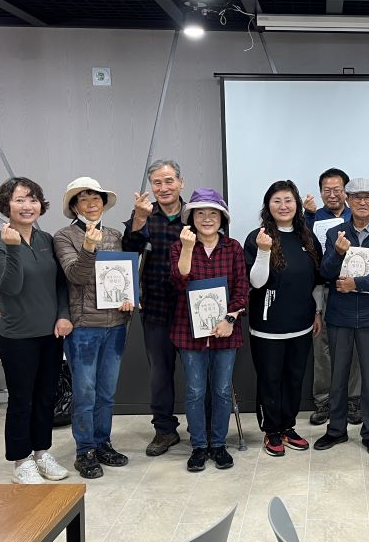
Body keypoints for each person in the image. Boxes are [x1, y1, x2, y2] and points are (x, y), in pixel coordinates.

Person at [0, 177, 72, 484]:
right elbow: (10, 287)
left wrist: (63, 315)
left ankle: (42, 453)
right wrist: (13, 249)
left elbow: (60, 284)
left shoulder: (46, 239)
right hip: (17, 337)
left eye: (32, 199)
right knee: (23, 401)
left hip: (51, 335)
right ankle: (21, 461)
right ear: (6, 205)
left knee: (46, 397)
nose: (27, 206)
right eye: (19, 199)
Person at [122, 159, 204, 458]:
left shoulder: (197, 215)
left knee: (199, 374)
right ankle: (165, 429)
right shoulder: (143, 214)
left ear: (181, 182)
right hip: (156, 308)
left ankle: (201, 427)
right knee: (160, 374)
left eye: (169, 181)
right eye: (157, 183)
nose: (164, 187)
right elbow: (128, 252)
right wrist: (139, 220)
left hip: (193, 309)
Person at [53, 177, 133, 480]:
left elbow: (122, 276)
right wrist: (88, 247)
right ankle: (84, 450)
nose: (90, 204)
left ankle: (103, 443)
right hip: (84, 327)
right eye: (83, 199)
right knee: (85, 393)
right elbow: (75, 275)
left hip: (116, 325)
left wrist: (127, 298)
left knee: (107, 392)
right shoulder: (64, 236)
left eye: (95, 198)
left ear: (103, 203)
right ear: (75, 206)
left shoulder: (114, 235)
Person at [314, 178, 369, 457]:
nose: (362, 202)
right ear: (348, 201)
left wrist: (357, 283)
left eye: (368, 196)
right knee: (338, 375)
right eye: (356, 197)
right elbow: (326, 272)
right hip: (340, 315)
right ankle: (336, 430)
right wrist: (338, 253)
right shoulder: (335, 233)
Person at [170, 188, 248, 472]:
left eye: (213, 213)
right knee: (194, 391)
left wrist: (229, 319)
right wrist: (187, 248)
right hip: (189, 331)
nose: (206, 218)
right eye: (200, 213)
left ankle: (219, 444)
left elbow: (242, 289)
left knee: (222, 390)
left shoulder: (233, 247)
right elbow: (179, 281)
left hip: (226, 330)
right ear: (191, 217)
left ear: (221, 218)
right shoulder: (179, 246)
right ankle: (199, 446)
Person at [244, 180, 324, 457]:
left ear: (297, 204)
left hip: (301, 324)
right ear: (268, 205)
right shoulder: (258, 237)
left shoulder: (306, 237)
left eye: (288, 200)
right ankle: (272, 430)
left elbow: (316, 281)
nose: (283, 206)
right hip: (268, 326)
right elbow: (256, 282)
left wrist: (316, 312)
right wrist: (263, 251)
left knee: (294, 378)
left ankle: (288, 426)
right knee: (270, 379)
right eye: (276, 200)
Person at [302, 167, 362, 427]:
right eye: (327, 190)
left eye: (337, 189)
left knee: (355, 348)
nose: (332, 194)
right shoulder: (312, 218)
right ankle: (324, 400)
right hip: (322, 288)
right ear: (320, 192)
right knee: (322, 346)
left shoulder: (357, 215)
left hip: (353, 288)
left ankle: (353, 399)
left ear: (346, 192)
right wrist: (307, 216)